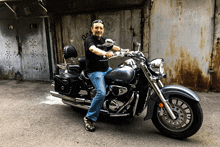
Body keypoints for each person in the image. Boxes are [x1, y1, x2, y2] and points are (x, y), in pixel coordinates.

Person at [83, 20, 121, 132]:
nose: (99, 30)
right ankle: (89, 118)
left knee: (119, 78)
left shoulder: (104, 40)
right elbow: (93, 49)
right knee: (101, 93)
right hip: (95, 71)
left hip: (106, 69)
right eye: (96, 28)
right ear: (92, 29)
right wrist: (105, 53)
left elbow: (114, 47)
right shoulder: (89, 40)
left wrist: (126, 51)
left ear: (103, 30)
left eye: (100, 28)